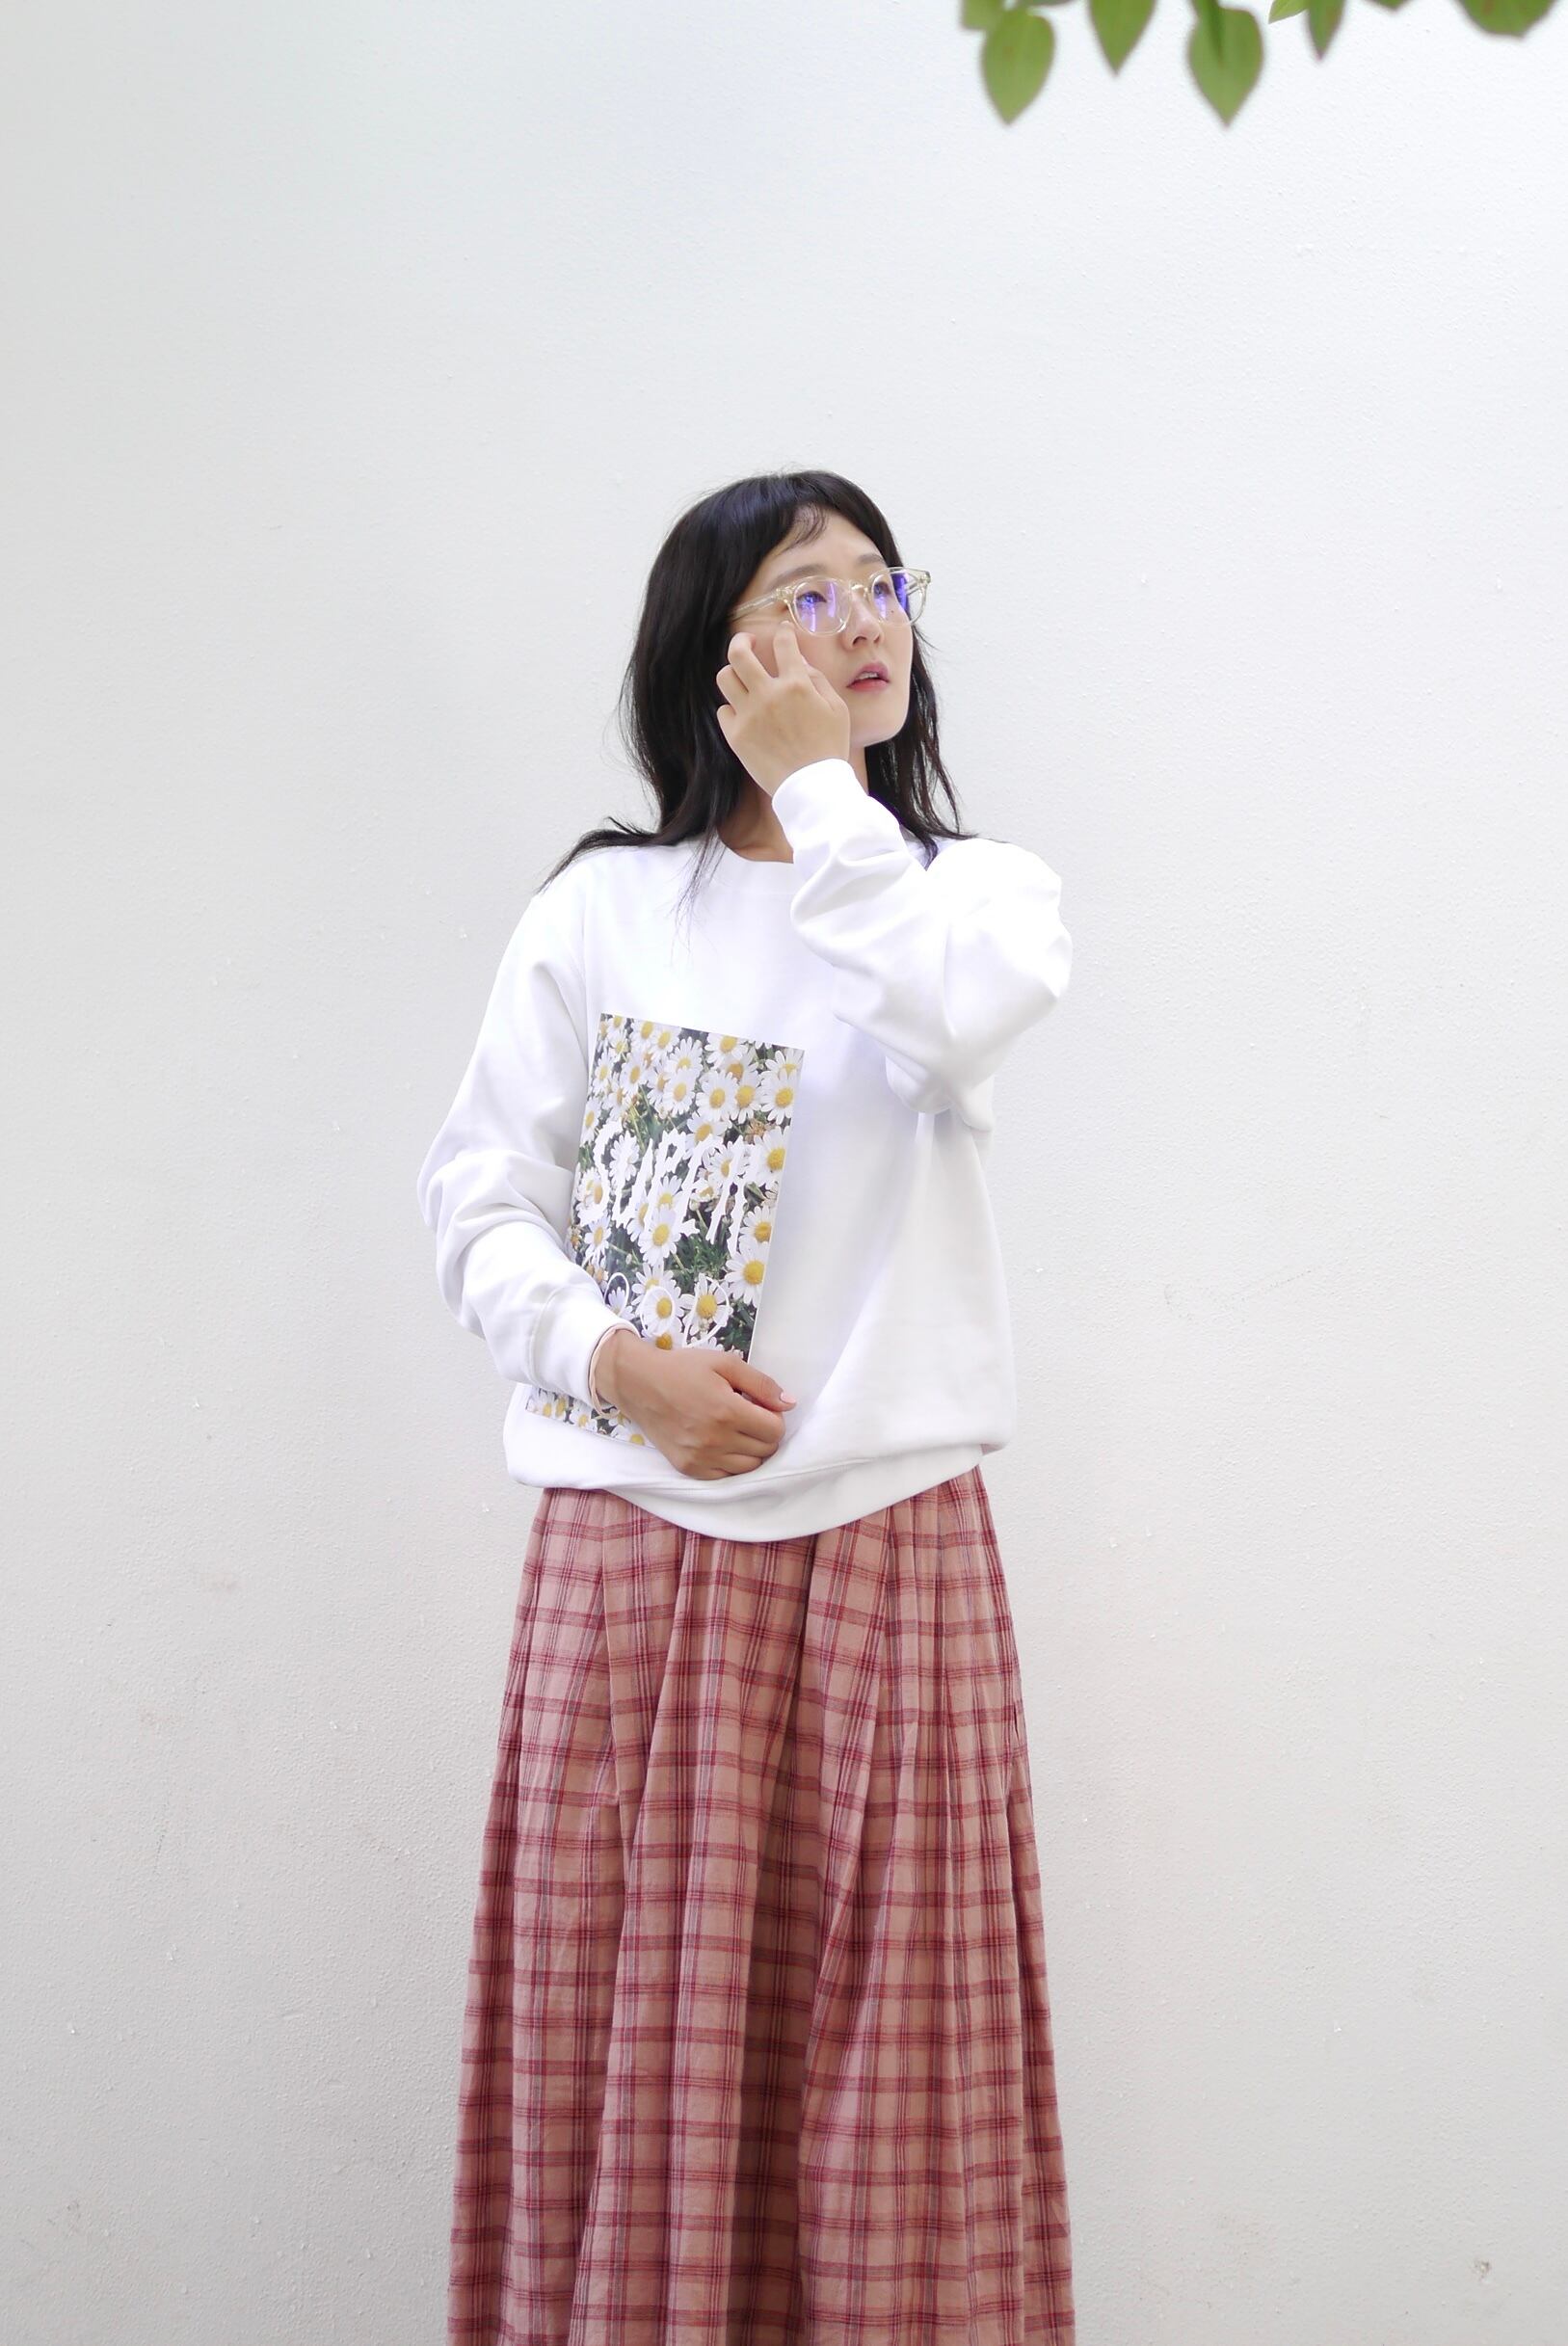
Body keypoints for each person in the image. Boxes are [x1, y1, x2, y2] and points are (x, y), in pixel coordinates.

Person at [415, 468, 1077, 2344]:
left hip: (887, 1562)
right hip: (628, 1563)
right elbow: (478, 1199)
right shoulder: (606, 910)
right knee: (613, 2061)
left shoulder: (975, 898)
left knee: (893, 2087)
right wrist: (610, 1361)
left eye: (883, 584)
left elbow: (940, 1021)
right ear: (711, 654)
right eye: (807, 592)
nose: (862, 620)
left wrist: (823, 799)